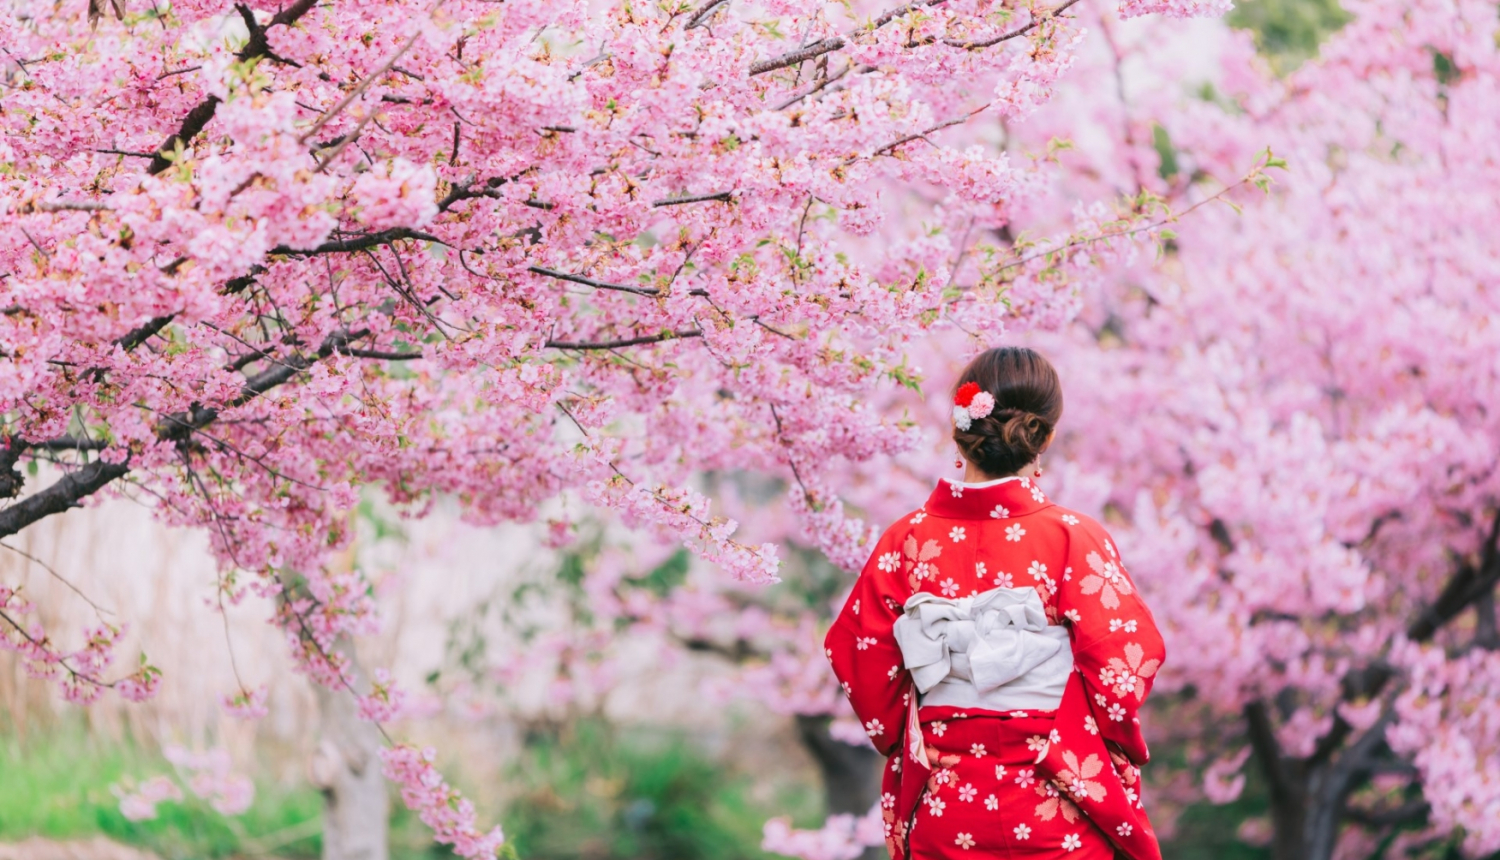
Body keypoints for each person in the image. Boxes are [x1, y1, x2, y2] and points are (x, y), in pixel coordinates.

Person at [825, 347, 1166, 860]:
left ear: (960, 431)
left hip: (946, 807)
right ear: (1044, 436)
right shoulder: (1073, 538)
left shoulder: (905, 541)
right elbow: (1124, 663)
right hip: (1054, 805)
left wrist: (924, 731)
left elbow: (858, 655)